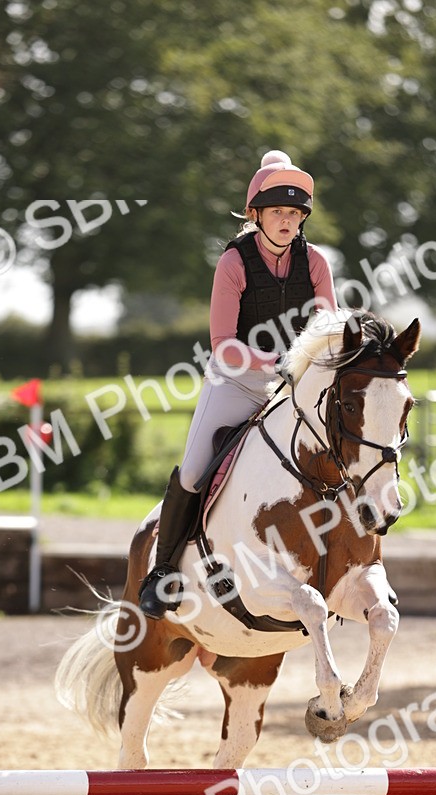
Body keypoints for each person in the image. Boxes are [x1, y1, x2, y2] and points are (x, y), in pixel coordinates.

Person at [138, 150, 339, 619]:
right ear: (256, 215)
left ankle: (343, 564)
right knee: (191, 473)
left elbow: (326, 325)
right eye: (278, 213)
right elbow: (223, 344)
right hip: (237, 382)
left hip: (292, 387)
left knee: (341, 458)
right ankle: (162, 570)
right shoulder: (233, 262)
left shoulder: (315, 263)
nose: (287, 221)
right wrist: (276, 361)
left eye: (294, 213)